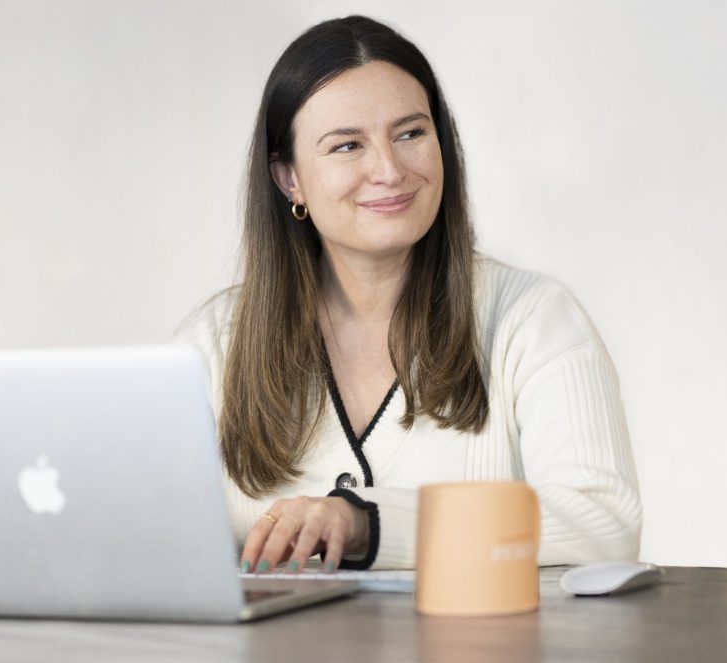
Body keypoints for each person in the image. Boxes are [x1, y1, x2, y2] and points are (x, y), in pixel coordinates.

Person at [177, 15, 641, 573]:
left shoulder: (533, 319)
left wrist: (364, 522)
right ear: (289, 179)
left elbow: (602, 524)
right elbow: (141, 536)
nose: (389, 170)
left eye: (411, 133)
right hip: (264, 662)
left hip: (476, 661)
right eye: (347, 145)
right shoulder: (211, 344)